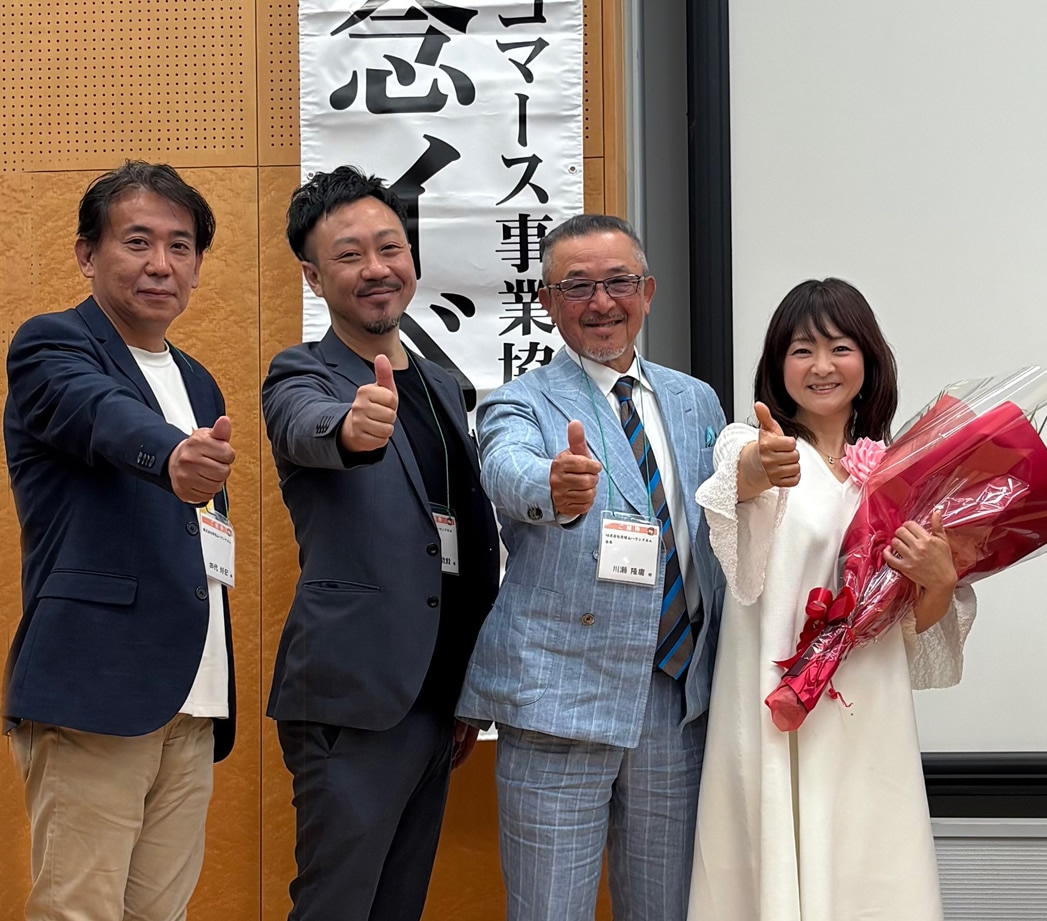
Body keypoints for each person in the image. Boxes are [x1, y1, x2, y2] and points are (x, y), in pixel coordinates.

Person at [456, 213, 727, 921]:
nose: (601, 302)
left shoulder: (695, 400)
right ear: (548, 301)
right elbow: (505, 467)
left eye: (618, 282)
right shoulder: (520, 401)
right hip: (560, 701)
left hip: (675, 701)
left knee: (666, 908)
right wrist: (554, 486)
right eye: (577, 286)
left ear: (648, 292)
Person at [687, 278, 977, 921]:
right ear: (776, 365)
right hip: (779, 700)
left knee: (871, 858)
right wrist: (761, 466)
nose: (822, 366)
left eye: (840, 347)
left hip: (870, 704)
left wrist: (939, 580)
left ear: (868, 361)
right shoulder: (752, 443)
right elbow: (738, 485)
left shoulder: (900, 470)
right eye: (802, 350)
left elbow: (916, 626)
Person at [262, 165, 500, 921]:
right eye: (349, 254)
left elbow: (460, 530)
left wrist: (467, 685)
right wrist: (349, 428)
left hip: (436, 698)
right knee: (336, 905)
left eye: (389, 247)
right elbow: (304, 424)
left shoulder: (438, 384)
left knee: (399, 905)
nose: (376, 268)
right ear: (313, 276)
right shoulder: (302, 372)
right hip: (353, 698)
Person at [3, 161, 236, 921]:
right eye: (137, 241)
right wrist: (170, 456)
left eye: (180, 245)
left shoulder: (199, 381)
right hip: (95, 687)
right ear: (87, 253)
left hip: (191, 693)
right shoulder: (52, 345)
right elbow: (98, 412)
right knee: (79, 910)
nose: (161, 263)